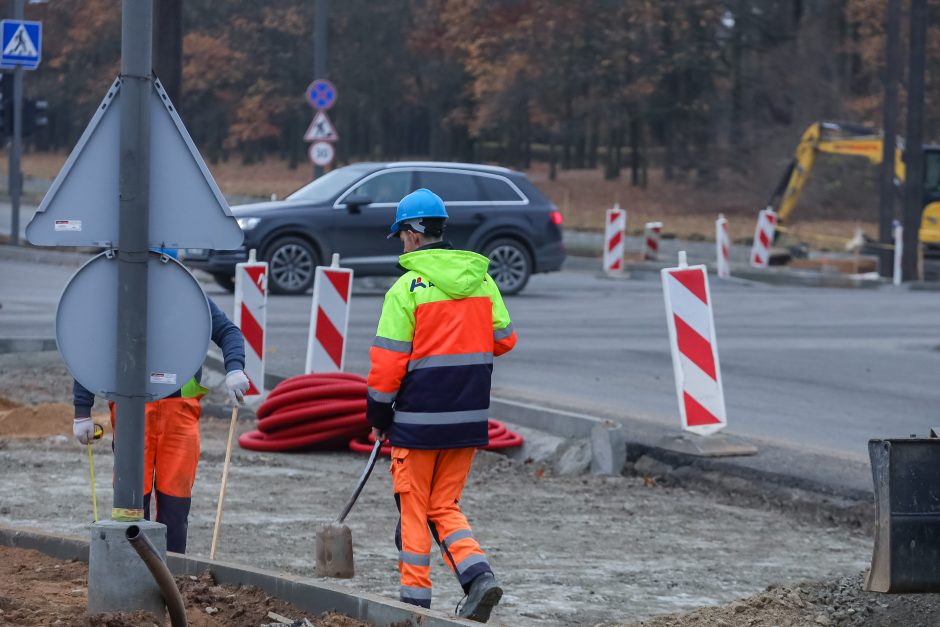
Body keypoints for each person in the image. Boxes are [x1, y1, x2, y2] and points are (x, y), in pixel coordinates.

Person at [366, 188, 517, 623]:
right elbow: (505, 339)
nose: (400, 243)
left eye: (400, 235)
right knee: (443, 506)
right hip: (468, 416)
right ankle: (478, 579)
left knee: (413, 508)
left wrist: (377, 414)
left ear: (412, 235)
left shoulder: (406, 288)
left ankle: (413, 606)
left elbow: (388, 363)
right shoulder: (481, 280)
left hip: (418, 418)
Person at [71, 249, 249, 553]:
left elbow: (228, 332)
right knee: (130, 507)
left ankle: (173, 576)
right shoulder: (119, 299)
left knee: (175, 508)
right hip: (131, 413)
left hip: (178, 416)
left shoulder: (189, 299)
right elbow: (92, 350)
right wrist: (81, 410)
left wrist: (235, 368)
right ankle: (132, 574)